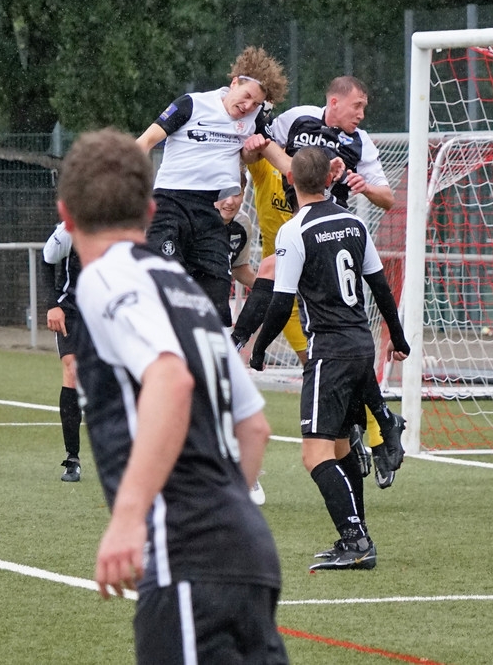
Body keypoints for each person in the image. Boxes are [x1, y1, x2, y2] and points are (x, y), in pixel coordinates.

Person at [58, 128, 288, 663]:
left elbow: (170, 379)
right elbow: (253, 427)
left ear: (66, 216)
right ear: (149, 210)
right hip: (248, 547)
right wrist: (222, 516)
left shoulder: (107, 276)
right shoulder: (187, 289)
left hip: (187, 558)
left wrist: (129, 517)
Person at [236, 76, 400, 487]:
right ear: (334, 101)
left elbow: (387, 198)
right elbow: (257, 143)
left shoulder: (358, 144)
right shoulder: (294, 123)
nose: (362, 114)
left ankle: (375, 434)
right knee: (331, 358)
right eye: (357, 105)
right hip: (298, 255)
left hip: (326, 242)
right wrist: (254, 143)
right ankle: (373, 429)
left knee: (335, 349)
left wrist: (364, 186)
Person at [250, 147, 408, 571]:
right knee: (340, 448)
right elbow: (380, 286)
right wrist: (398, 337)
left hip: (329, 354)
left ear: (290, 180)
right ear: (329, 180)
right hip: (360, 344)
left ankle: (357, 542)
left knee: (315, 455)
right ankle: (356, 535)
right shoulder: (354, 222)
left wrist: (260, 349)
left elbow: (281, 302)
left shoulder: (294, 230)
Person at [135, 46, 287, 327]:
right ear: (234, 82)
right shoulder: (191, 104)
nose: (248, 106)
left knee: (217, 300)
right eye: (247, 96)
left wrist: (323, 173)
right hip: (170, 205)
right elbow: (144, 142)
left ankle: (212, 352)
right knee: (167, 288)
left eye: (256, 103)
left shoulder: (254, 120)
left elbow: (282, 161)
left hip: (211, 212)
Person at [215, 172, 267, 506]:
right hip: (182, 324)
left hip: (220, 323)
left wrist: (271, 287)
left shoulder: (242, 225)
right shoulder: (191, 220)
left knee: (232, 398)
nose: (231, 200)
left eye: (238, 191)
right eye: (224, 192)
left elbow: (239, 269)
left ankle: (246, 474)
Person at [42, 221, 83, 482]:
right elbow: (47, 260)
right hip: (71, 310)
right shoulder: (70, 228)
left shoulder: (124, 224)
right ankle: (72, 458)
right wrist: (52, 304)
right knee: (73, 370)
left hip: (108, 310)